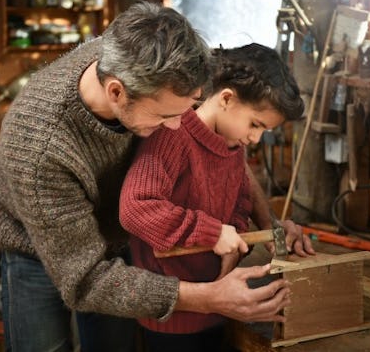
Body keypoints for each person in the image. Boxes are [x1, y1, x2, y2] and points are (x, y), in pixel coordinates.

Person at [0, 1, 313, 352]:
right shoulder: (40, 149)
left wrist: (271, 224)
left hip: (116, 230)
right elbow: (86, 281)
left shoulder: (135, 57)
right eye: (165, 117)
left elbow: (222, 153)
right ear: (116, 92)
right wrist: (210, 297)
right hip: (40, 243)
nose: (176, 128)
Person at [119, 43, 308, 352]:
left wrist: (235, 243)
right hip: (173, 318)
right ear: (227, 98)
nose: (255, 138)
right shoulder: (172, 135)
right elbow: (135, 208)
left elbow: (239, 205)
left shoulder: (233, 145)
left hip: (218, 306)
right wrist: (213, 232)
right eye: (255, 124)